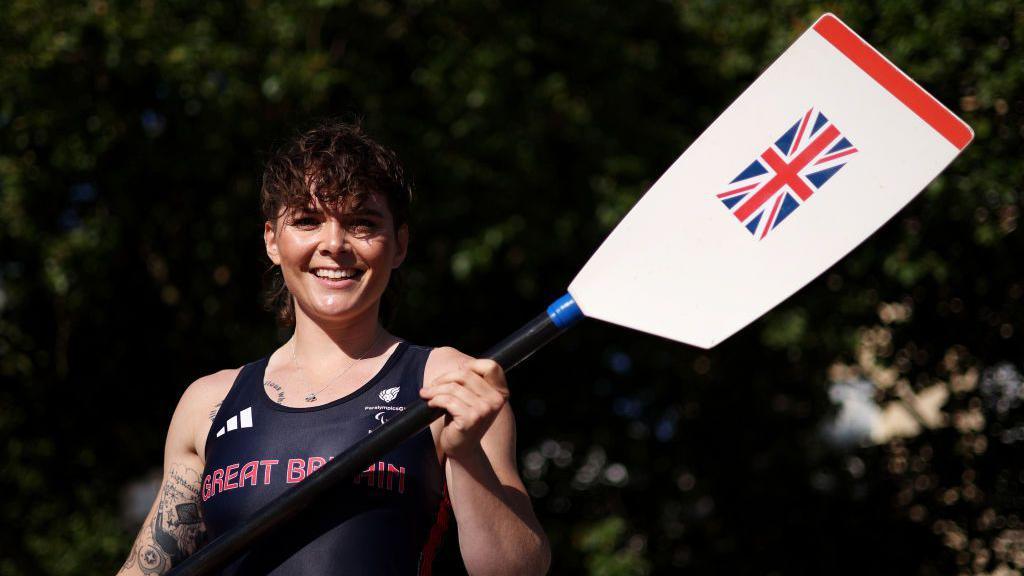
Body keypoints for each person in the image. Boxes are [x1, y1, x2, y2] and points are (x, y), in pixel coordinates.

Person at [117, 120, 551, 575]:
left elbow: (518, 570)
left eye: (362, 223)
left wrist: (467, 455)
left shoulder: (448, 382)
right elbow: (146, 566)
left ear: (399, 244)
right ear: (271, 240)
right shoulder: (209, 402)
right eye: (307, 221)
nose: (334, 245)